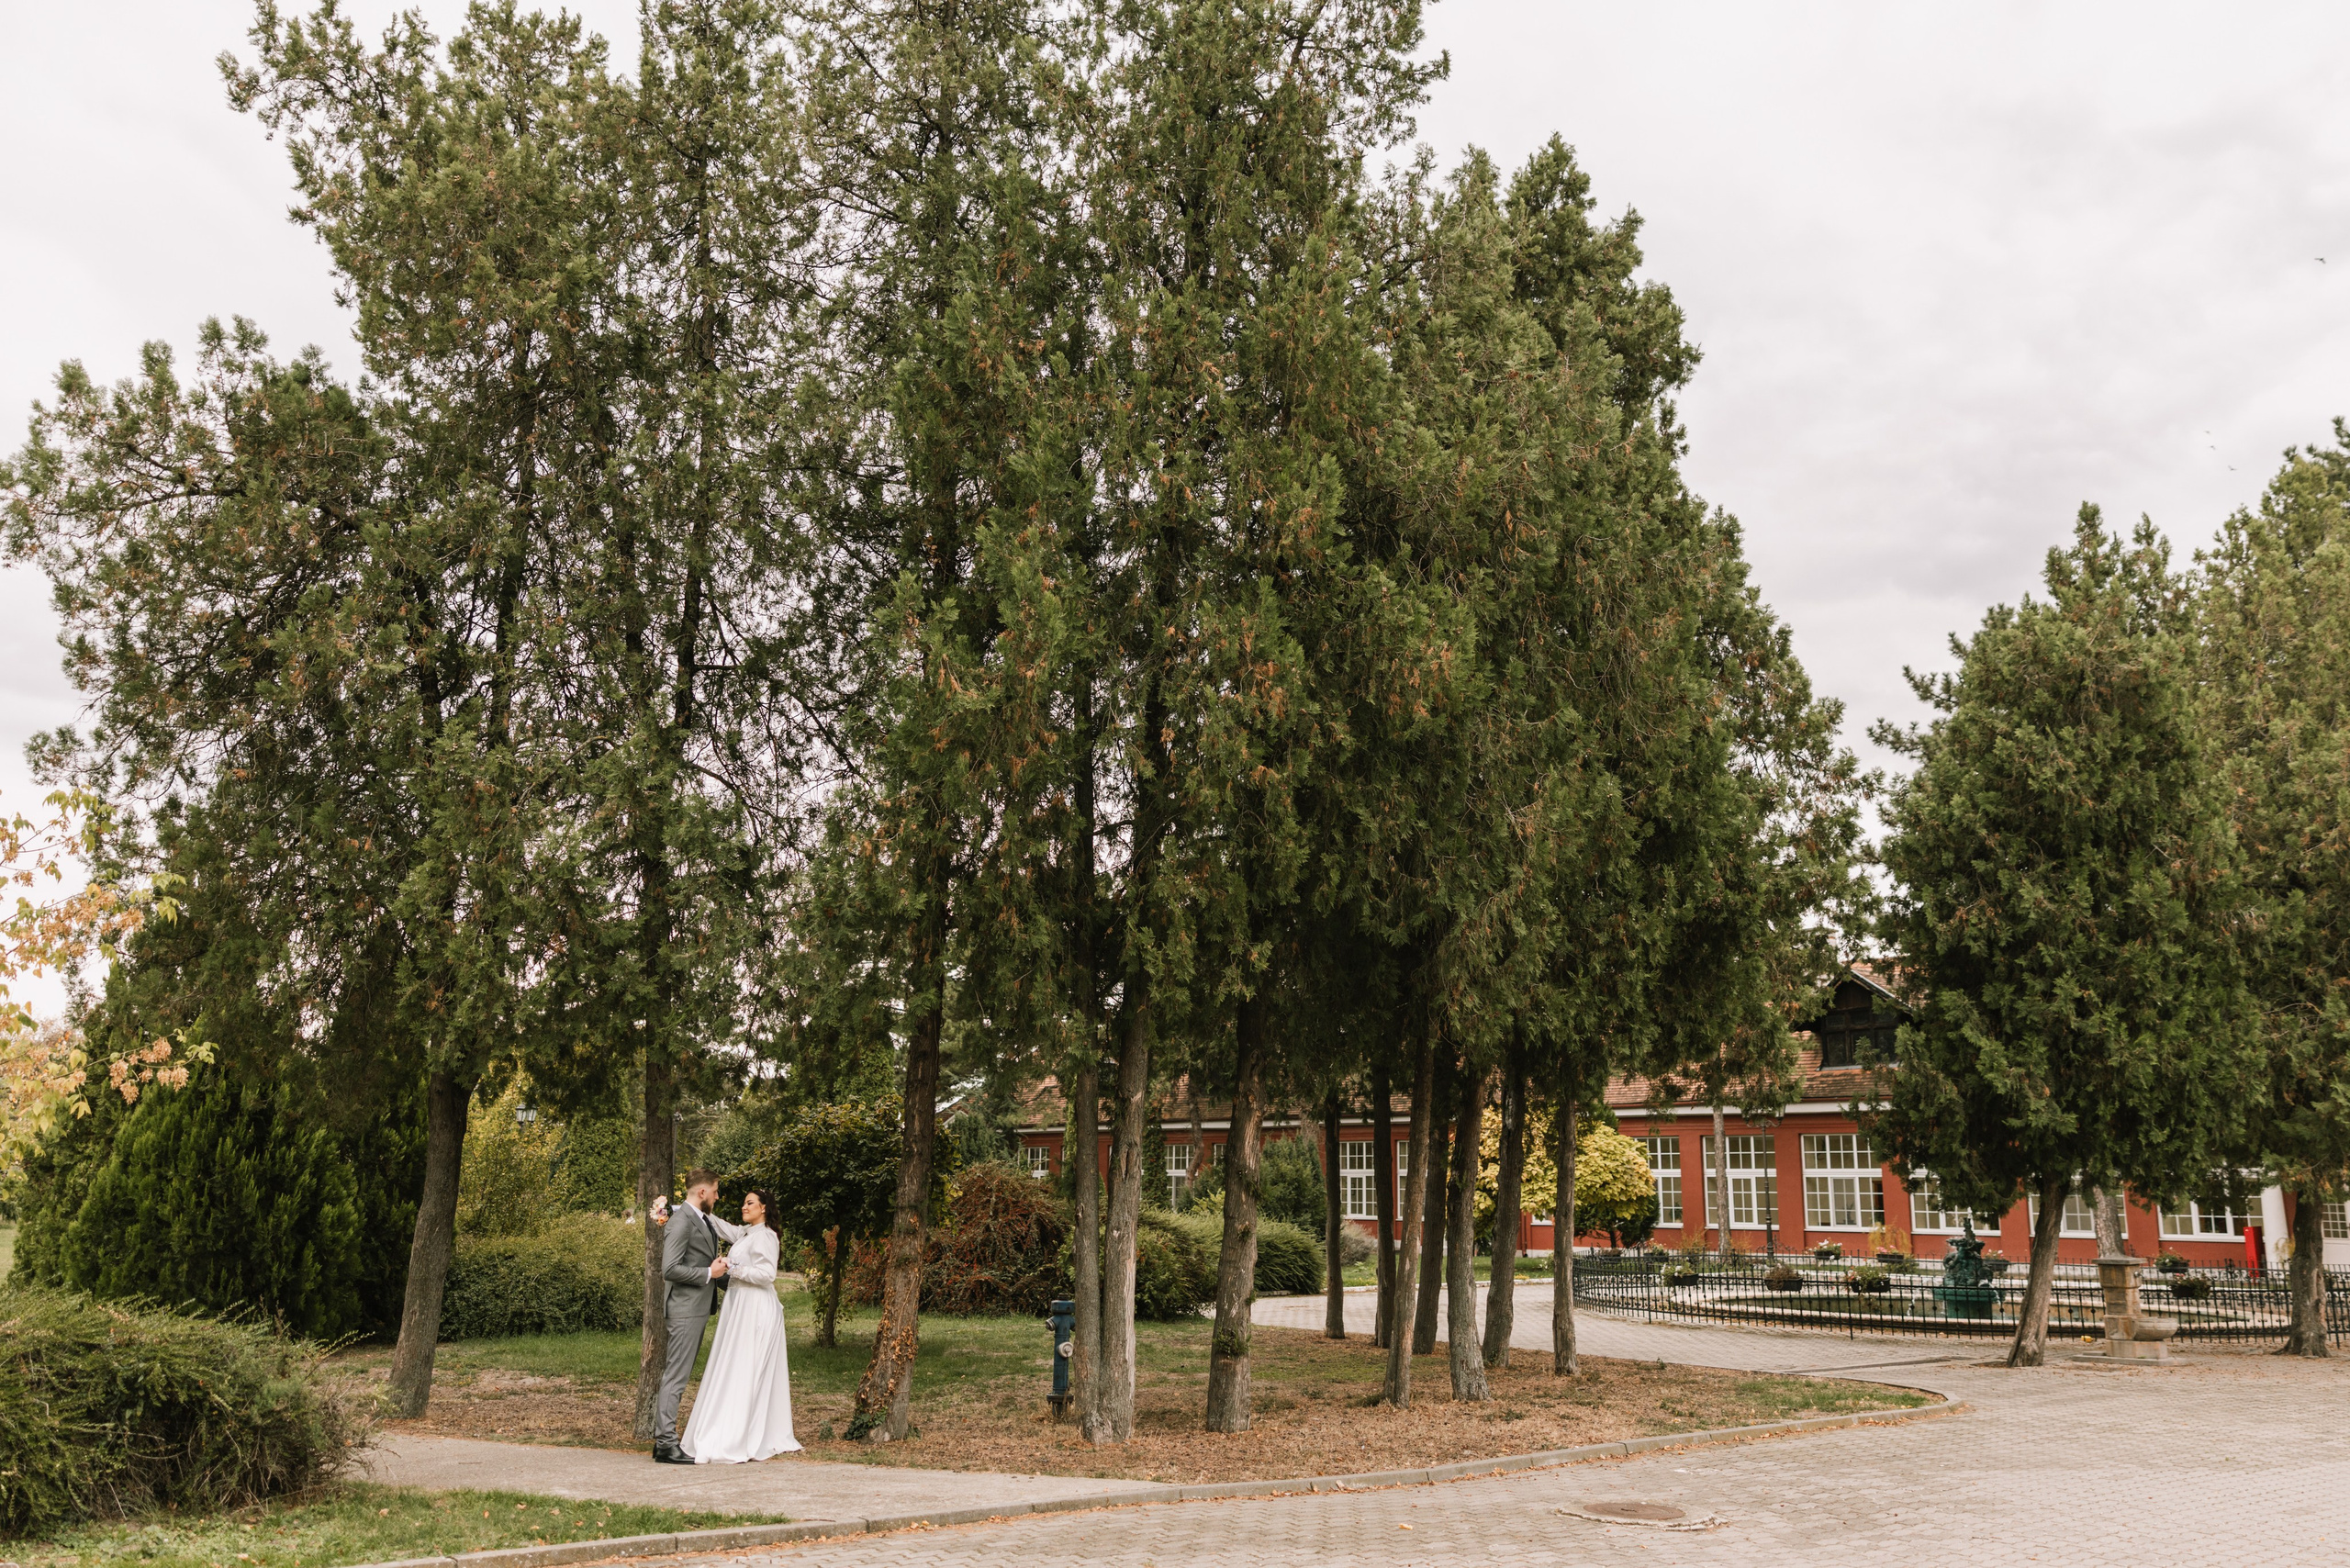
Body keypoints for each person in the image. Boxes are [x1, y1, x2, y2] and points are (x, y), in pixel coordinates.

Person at [678, 1188, 801, 1462]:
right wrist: (686, 1208)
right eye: (744, 1203)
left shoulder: (767, 1236)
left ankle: (742, 1431)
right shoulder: (746, 1233)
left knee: (745, 1365)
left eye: (750, 1203)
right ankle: (728, 1422)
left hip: (755, 1307)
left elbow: (767, 1274)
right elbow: (721, 1226)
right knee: (732, 1363)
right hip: (739, 1304)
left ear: (764, 1208)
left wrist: (731, 1267)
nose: (744, 1207)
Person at [650, 1169, 741, 1464]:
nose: (717, 1196)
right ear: (702, 1192)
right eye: (715, 1190)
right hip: (685, 1310)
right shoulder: (680, 1223)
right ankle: (665, 1443)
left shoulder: (699, 1219)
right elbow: (670, 1269)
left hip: (697, 1308)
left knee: (679, 1375)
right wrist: (708, 1273)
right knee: (676, 1376)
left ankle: (663, 1441)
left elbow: (705, 1261)